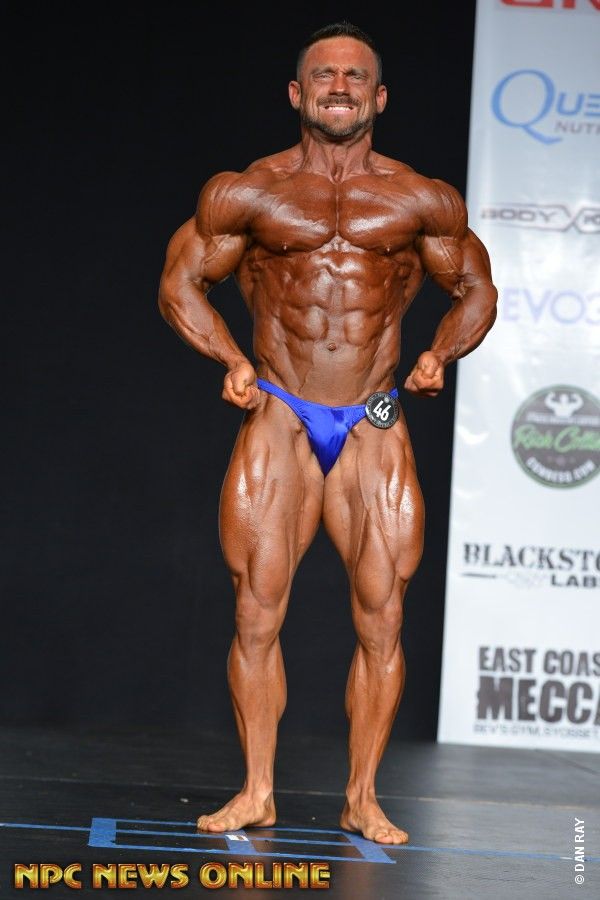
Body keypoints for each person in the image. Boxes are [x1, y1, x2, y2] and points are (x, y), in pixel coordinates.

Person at [158, 21, 497, 845]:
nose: (338, 87)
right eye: (323, 75)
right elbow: (179, 283)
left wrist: (440, 353)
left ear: (378, 97)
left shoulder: (422, 199)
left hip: (374, 416)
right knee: (256, 612)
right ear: (296, 93)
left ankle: (362, 797)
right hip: (280, 410)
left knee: (383, 618)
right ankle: (257, 790)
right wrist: (230, 358)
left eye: (354, 77)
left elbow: (478, 289)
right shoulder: (247, 192)